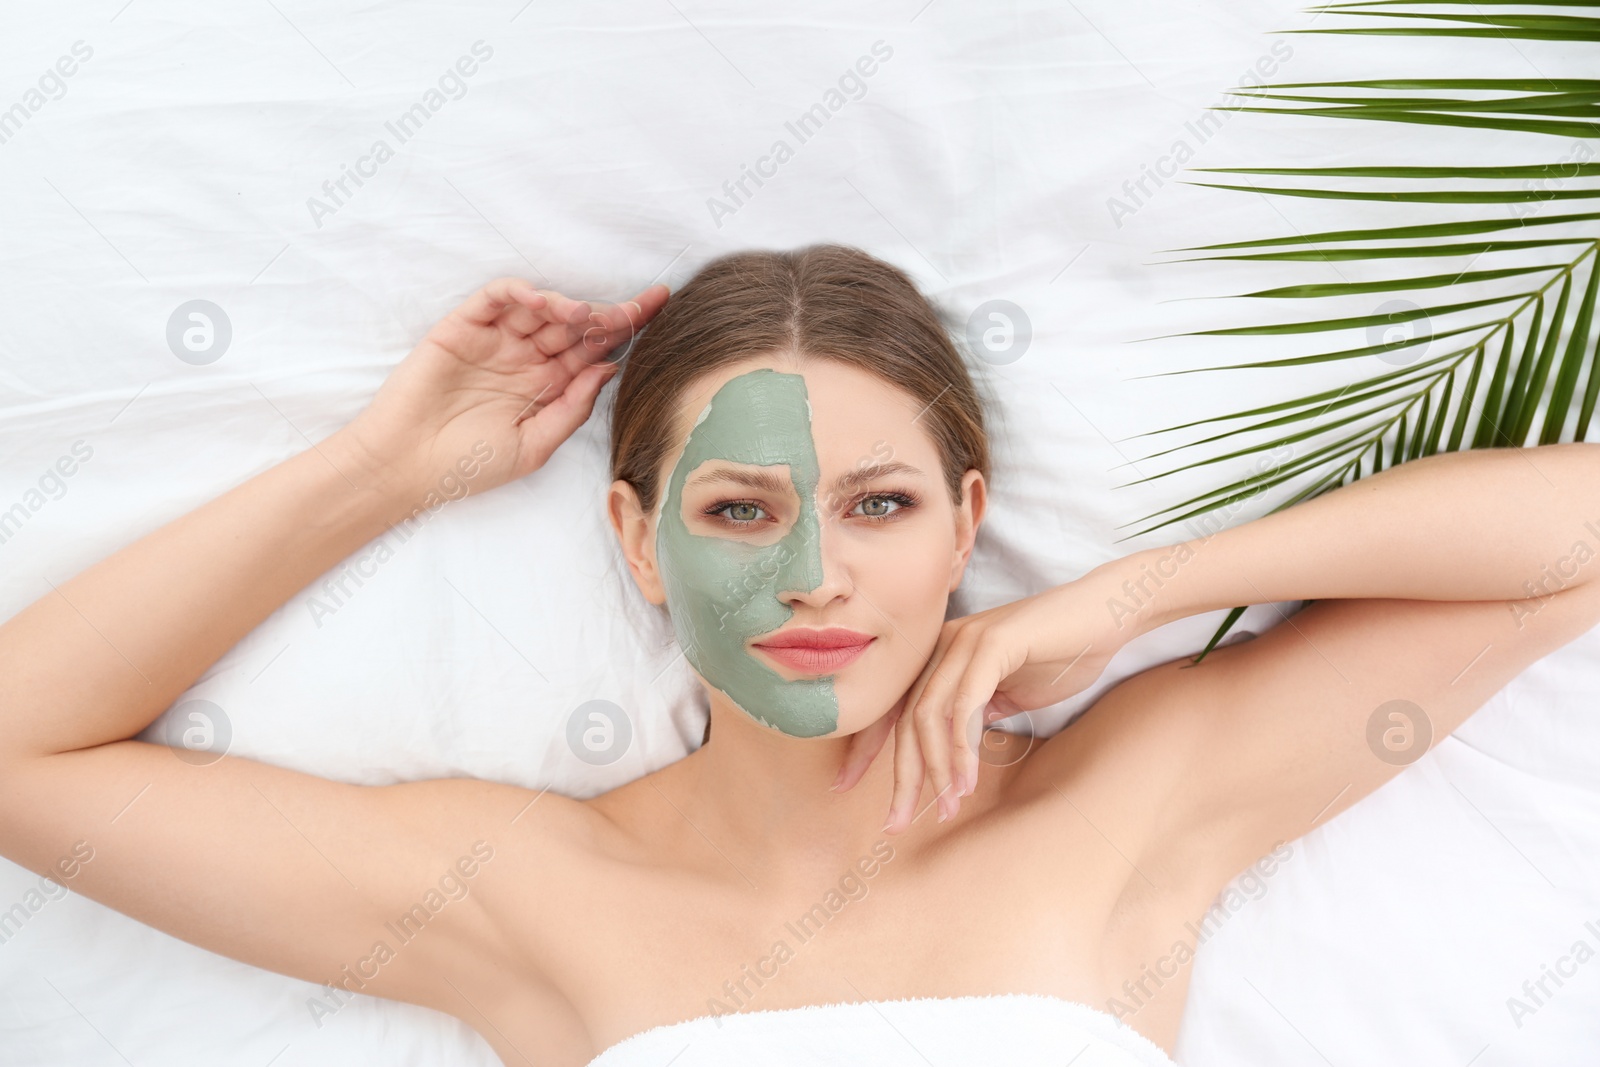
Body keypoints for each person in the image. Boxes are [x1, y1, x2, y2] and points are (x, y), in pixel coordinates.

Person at [1, 244, 1596, 1067]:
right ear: (641, 543)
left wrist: (1134, 597)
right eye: (743, 508)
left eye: (881, 504)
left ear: (968, 524)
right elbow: (21, 757)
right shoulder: (519, 889)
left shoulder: (1128, 800)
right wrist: (384, 473)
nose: (815, 572)